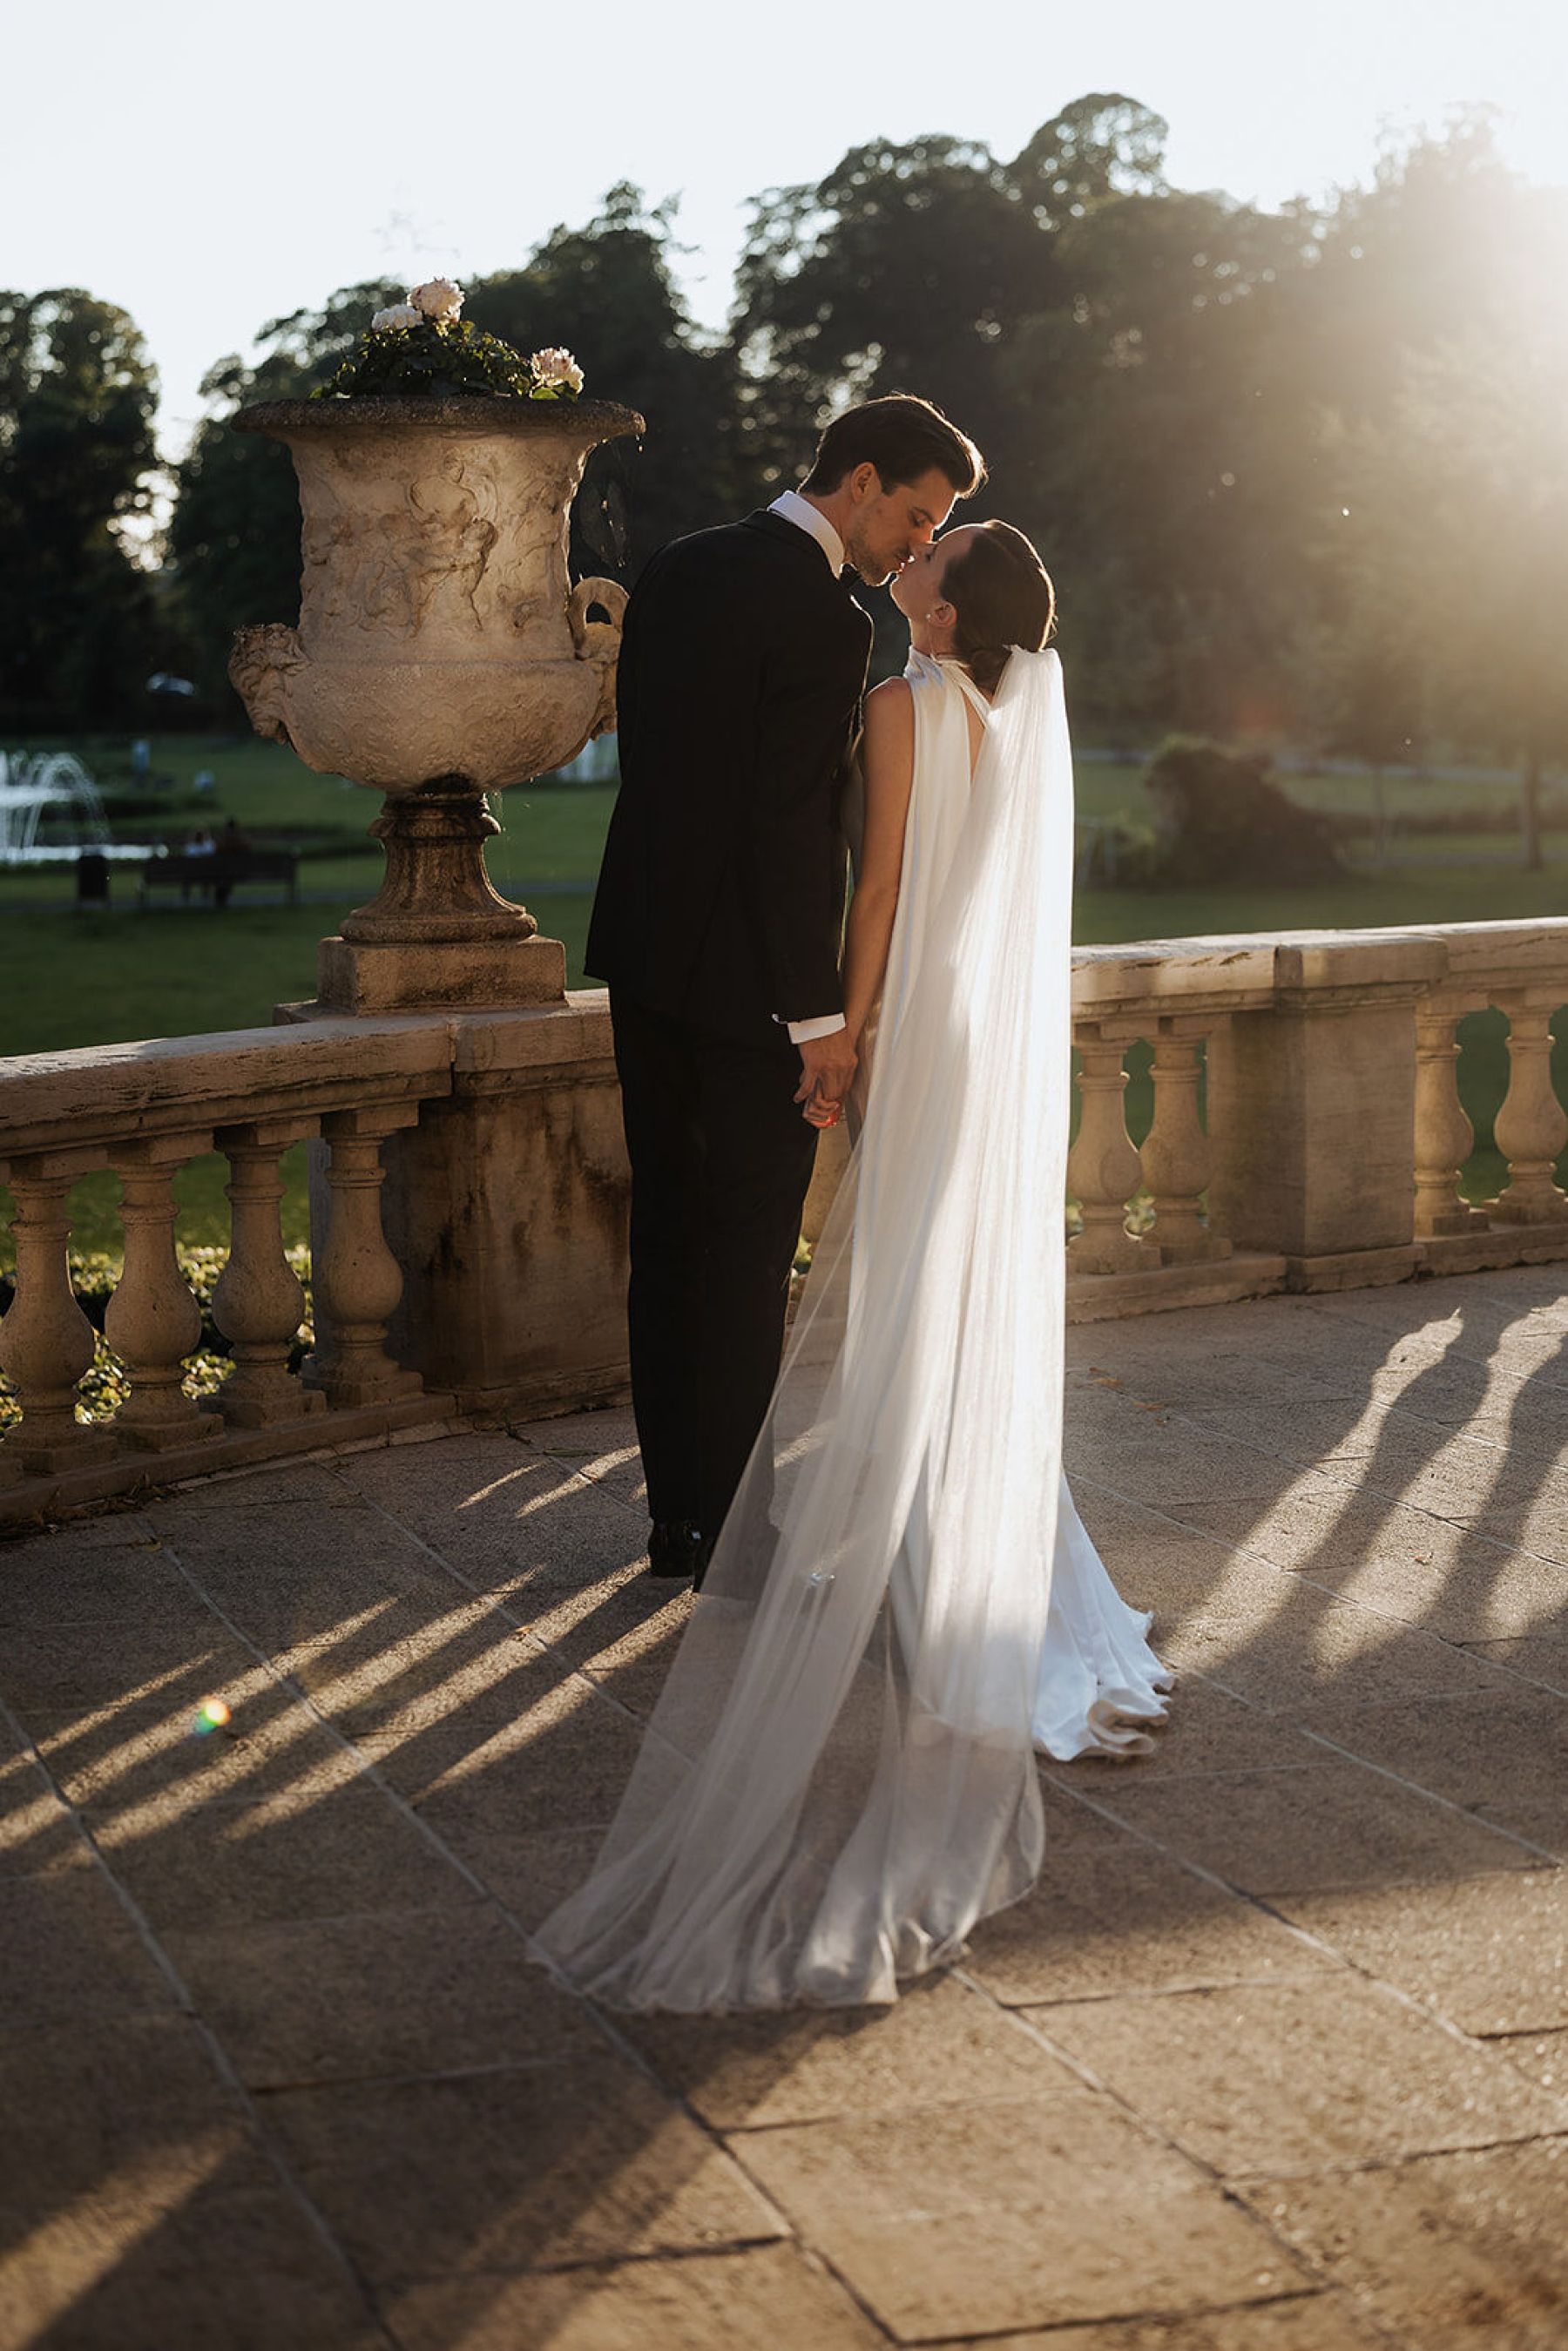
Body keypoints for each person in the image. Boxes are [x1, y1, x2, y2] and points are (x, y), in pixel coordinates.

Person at [537, 521, 1173, 2014]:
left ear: (943, 611)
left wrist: (840, 1035)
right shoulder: (1013, 715)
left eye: (939, 552)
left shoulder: (900, 703)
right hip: (976, 1032)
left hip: (907, 1026)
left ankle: (924, 1546)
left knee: (902, 1278)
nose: (916, 552)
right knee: (934, 1275)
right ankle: (962, 1539)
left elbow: (874, 892)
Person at [586, 395, 986, 1584]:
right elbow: (788, 830)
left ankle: (678, 1519)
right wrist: (820, 1018)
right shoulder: (824, 619)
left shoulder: (678, 565)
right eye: (917, 516)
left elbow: (655, 768)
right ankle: (735, 1529)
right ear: (861, 482)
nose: (918, 544)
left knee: (669, 1239)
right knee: (747, 1257)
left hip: (644, 961)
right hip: (753, 992)